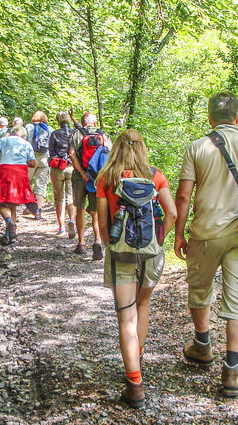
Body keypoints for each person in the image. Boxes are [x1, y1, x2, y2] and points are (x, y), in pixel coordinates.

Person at [174, 93, 238, 398]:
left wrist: (178, 235)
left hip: (206, 232)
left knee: (200, 289)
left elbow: (183, 196)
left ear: (209, 118)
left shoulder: (198, 147)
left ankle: (203, 346)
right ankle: (232, 371)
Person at [95, 130, 176, 409]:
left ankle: (135, 384)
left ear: (115, 148)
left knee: (125, 315)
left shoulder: (106, 178)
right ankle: (136, 357)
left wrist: (109, 244)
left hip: (121, 252)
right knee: (143, 304)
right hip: (151, 251)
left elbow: (103, 221)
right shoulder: (156, 175)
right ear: (142, 148)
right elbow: (173, 213)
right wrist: (160, 237)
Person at [69, 112, 111, 259]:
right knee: (96, 211)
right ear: (94, 122)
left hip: (80, 177)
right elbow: (109, 155)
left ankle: (81, 243)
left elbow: (71, 153)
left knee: (79, 208)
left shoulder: (76, 134)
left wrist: (82, 172)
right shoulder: (103, 135)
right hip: (97, 177)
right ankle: (97, 240)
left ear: (83, 122)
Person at [0, 126, 38, 245]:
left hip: (5, 171)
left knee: (1, 201)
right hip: (20, 172)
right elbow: (32, 163)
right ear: (24, 135)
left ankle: (9, 224)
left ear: (12, 133)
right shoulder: (26, 144)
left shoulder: (4, 140)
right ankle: (10, 235)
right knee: (12, 203)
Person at [48, 112, 77, 237]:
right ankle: (72, 221)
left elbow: (51, 151)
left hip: (58, 167)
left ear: (58, 121)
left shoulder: (54, 134)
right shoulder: (75, 133)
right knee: (71, 196)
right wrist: (75, 119)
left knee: (59, 197)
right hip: (72, 167)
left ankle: (61, 227)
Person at [25, 111, 52, 219]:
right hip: (45, 158)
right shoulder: (49, 129)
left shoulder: (29, 127)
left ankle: (29, 205)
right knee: (41, 184)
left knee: (26, 181)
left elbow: (25, 142)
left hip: (31, 157)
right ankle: (39, 210)